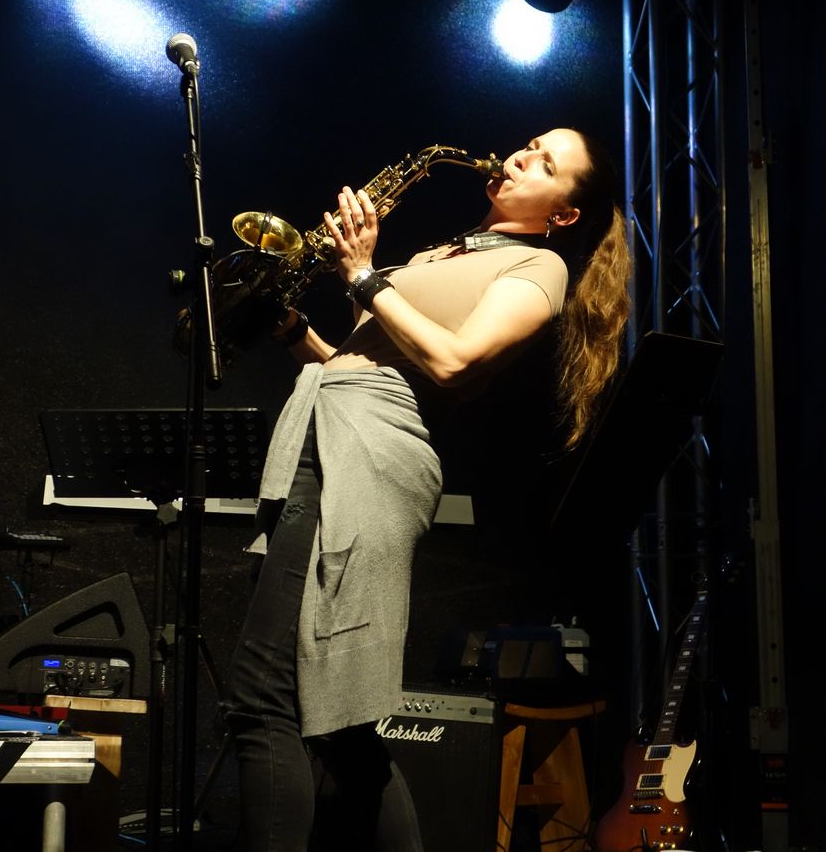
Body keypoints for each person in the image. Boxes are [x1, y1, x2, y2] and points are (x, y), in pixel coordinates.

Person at [224, 127, 632, 852]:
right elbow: (361, 361)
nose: (520, 157)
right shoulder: (444, 253)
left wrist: (362, 275)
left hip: (366, 457)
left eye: (545, 163)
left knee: (263, 699)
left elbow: (452, 363)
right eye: (529, 144)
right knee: (340, 724)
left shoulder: (539, 268)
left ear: (564, 213)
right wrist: (291, 329)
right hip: (334, 429)